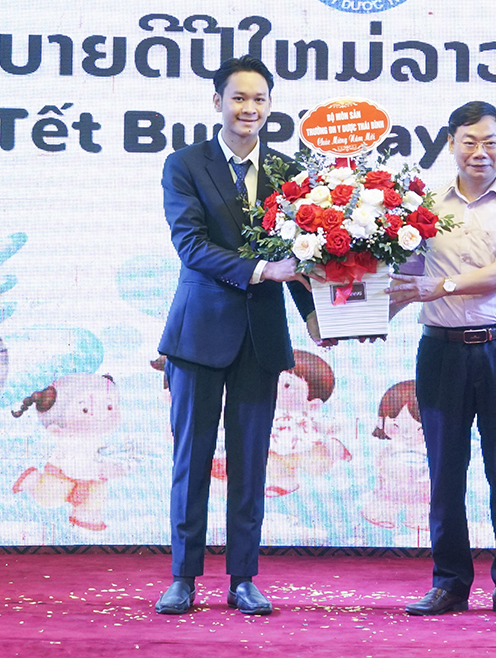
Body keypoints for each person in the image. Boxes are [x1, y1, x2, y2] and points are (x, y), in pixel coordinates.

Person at [154, 55, 316, 617]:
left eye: (259, 99)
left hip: (261, 337)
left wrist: (318, 318)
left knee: (250, 462)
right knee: (192, 458)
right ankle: (183, 577)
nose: (249, 108)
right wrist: (261, 270)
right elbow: (191, 245)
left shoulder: (289, 172)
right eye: (239, 98)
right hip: (198, 334)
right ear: (217, 102)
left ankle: (243, 578)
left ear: (270, 105)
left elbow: (303, 256)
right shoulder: (184, 164)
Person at [388, 101, 496, 621]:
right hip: (441, 352)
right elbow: (405, 280)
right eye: (469, 142)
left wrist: (443, 285)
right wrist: (351, 321)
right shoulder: (424, 207)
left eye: (490, 142)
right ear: (451, 145)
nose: (481, 152)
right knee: (445, 473)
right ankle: (449, 584)